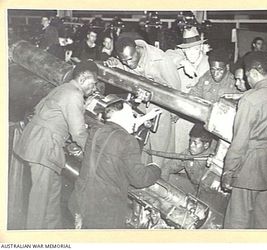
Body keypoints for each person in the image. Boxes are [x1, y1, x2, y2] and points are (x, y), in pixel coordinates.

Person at [13, 60, 98, 229]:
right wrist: (94, 151)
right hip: (44, 146)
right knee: (41, 197)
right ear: (83, 78)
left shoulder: (63, 88)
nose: (94, 87)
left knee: (52, 192)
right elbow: (79, 132)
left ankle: (51, 234)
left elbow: (44, 112)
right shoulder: (74, 94)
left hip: (41, 143)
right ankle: (34, 239)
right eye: (93, 83)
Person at [222, 51, 267, 229]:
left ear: (253, 73)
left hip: (250, 168)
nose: (246, 81)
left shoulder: (250, 99)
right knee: (263, 220)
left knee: (236, 222)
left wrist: (228, 172)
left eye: (247, 76)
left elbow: (239, 142)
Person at [68, 96, 162, 229]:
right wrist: (155, 168)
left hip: (82, 200)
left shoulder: (97, 130)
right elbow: (139, 179)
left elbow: (117, 132)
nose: (133, 118)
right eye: (131, 114)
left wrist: (143, 120)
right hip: (104, 212)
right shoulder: (128, 141)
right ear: (122, 116)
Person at [107, 36, 181, 167]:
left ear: (137, 49)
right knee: (142, 147)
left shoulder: (160, 59)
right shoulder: (125, 58)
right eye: (124, 61)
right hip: (140, 108)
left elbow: (176, 89)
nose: (128, 63)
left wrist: (175, 113)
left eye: (130, 59)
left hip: (161, 109)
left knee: (159, 153)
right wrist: (114, 63)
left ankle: (159, 183)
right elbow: (123, 69)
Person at [161, 123, 228, 228]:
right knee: (171, 179)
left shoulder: (212, 161)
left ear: (206, 145)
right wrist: (163, 193)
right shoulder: (188, 154)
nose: (191, 145)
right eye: (190, 141)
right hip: (194, 189)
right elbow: (167, 167)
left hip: (208, 198)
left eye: (195, 143)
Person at [165, 26, 211, 153]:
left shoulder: (209, 65)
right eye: (187, 50)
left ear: (201, 48)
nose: (191, 53)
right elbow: (166, 55)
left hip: (199, 120)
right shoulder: (181, 61)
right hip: (178, 118)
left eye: (195, 49)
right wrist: (184, 62)